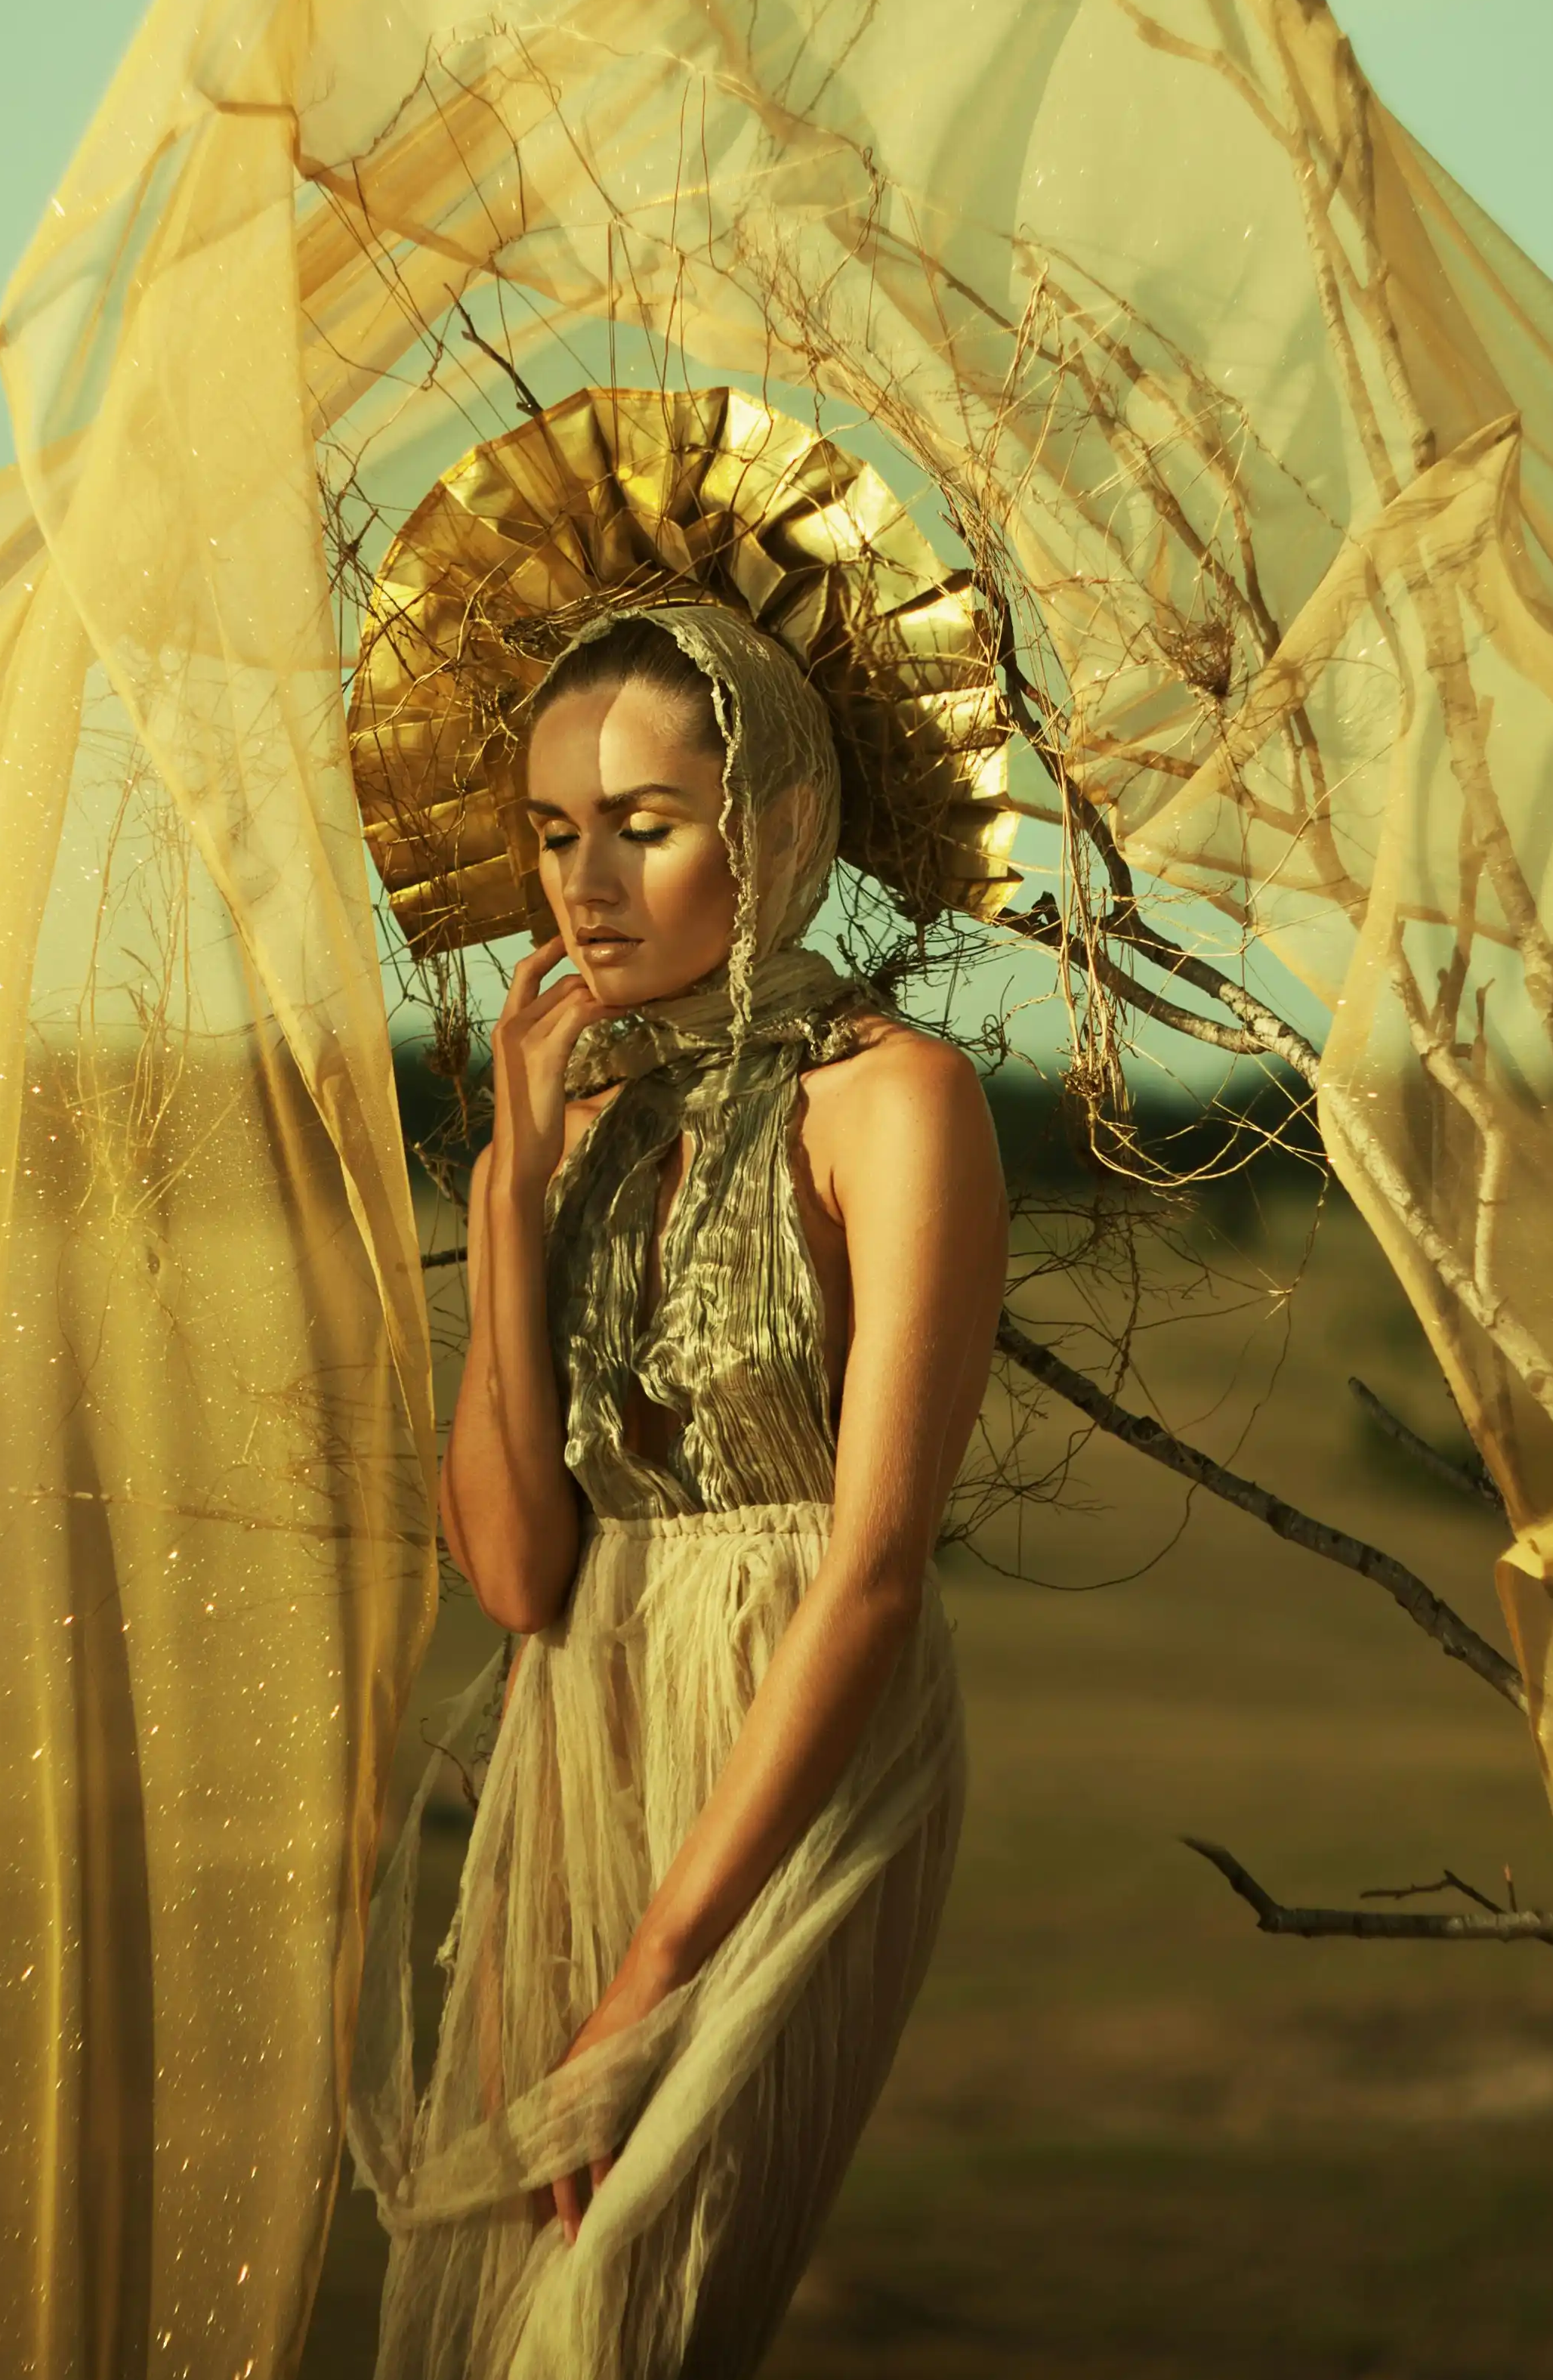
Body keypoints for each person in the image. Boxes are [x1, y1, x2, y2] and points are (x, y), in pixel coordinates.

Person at [348, 601, 1006, 2378]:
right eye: (553, 832)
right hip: (576, 1740)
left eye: (641, 825)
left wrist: (648, 1983)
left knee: (629, 2325)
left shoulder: (897, 1101)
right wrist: (508, 1190)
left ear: (775, 827)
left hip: (796, 1746)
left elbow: (875, 1571)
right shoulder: (573, 1126)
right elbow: (512, 1576)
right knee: (495, 2323)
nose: (584, 885)